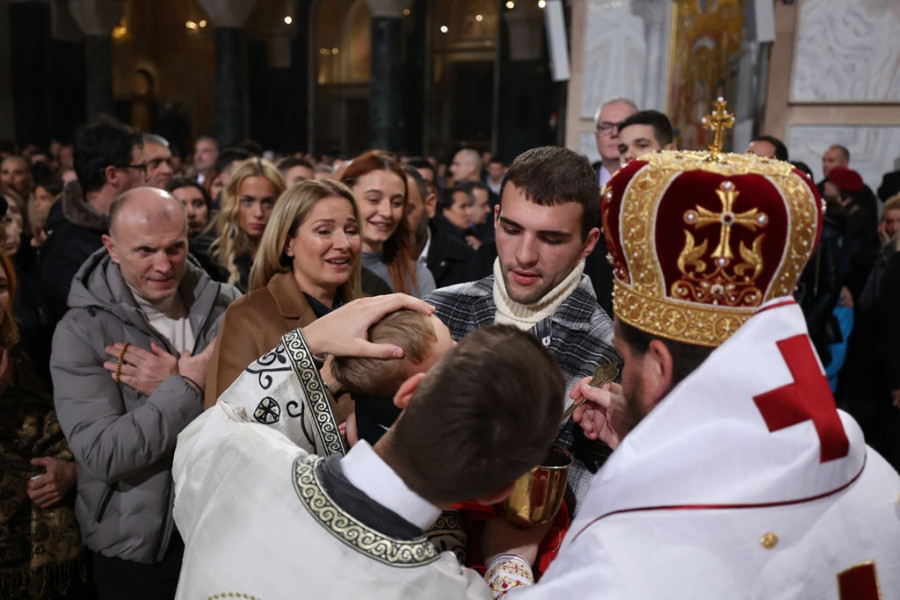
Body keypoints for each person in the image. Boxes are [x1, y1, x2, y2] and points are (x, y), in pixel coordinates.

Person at [483, 145, 900, 596]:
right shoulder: (875, 474)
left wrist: (508, 561)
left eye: (626, 357)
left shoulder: (636, 553)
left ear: (659, 366)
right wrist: (647, 434)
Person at [173, 317, 564, 600]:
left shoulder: (240, 461)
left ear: (409, 393)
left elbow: (209, 431)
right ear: (498, 492)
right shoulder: (444, 591)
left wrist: (308, 340)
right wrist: (509, 563)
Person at [50, 187, 239, 599]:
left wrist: (173, 384)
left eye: (176, 248)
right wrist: (187, 386)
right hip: (135, 548)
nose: (164, 265)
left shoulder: (229, 308)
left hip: (221, 532)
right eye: (146, 251)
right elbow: (104, 453)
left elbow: (263, 420)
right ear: (111, 248)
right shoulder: (80, 331)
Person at [426, 146, 620, 512]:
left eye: (550, 238)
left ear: (588, 243)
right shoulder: (437, 310)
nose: (524, 255)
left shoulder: (608, 350)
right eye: (512, 229)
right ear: (495, 219)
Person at [204, 179, 364, 407]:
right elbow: (227, 425)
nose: (343, 243)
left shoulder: (369, 309)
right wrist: (325, 385)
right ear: (288, 243)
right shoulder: (247, 317)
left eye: (351, 230)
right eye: (324, 231)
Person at [0, 248, 86, 599]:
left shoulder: (27, 346)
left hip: (53, 561)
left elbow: (73, 433)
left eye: (1, 286)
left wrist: (72, 472)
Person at [40, 116, 144, 321]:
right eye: (141, 168)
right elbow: (95, 320)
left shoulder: (145, 227)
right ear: (113, 175)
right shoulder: (64, 249)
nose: (146, 177)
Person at [341, 150, 435, 298]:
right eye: (373, 200)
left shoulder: (418, 277)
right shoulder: (329, 269)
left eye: (396, 203)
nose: (387, 212)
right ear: (347, 198)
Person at [207, 157, 286, 292]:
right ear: (233, 202)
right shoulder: (209, 252)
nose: (258, 213)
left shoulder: (290, 251)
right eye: (248, 201)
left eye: (268, 202)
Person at [593, 97, 637, 187]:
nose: (614, 133)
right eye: (605, 127)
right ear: (597, 136)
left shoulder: (651, 184)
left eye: (622, 126)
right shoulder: (576, 186)